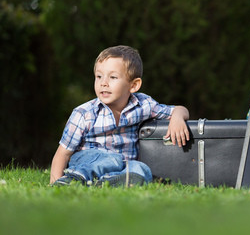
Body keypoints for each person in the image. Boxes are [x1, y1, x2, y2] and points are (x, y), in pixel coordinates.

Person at [50, 45, 190, 186]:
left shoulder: (143, 105)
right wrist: (54, 183)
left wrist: (177, 118)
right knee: (112, 160)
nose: (103, 83)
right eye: (99, 76)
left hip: (123, 164)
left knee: (141, 168)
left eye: (113, 77)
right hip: (88, 161)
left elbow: (179, 109)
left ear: (134, 85)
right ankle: (74, 179)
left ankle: (110, 182)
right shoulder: (84, 114)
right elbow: (63, 154)